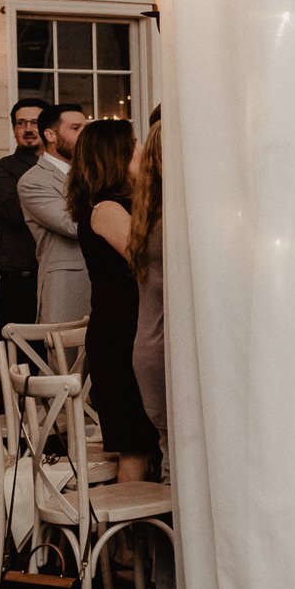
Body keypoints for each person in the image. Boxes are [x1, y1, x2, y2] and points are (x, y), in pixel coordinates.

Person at [67, 120, 153, 482]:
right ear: (114, 156)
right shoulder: (105, 209)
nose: (141, 150)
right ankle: (128, 520)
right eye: (133, 144)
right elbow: (146, 257)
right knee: (136, 445)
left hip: (128, 326)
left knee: (142, 441)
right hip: (120, 333)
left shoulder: (122, 204)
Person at [19, 103, 91, 323]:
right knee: (65, 346)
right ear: (50, 135)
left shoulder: (92, 173)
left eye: (85, 128)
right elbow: (72, 225)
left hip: (106, 285)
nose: (84, 135)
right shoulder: (33, 181)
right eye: (76, 128)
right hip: (67, 287)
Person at [0, 98, 46, 330]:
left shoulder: (67, 168)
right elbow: (14, 214)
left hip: (59, 279)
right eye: (21, 123)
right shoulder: (1, 170)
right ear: (13, 129)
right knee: (18, 353)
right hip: (20, 283)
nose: (28, 129)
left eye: (35, 122)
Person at [127, 121, 167, 462]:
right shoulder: (167, 225)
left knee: (172, 452)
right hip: (164, 350)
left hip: (151, 348)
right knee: (179, 455)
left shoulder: (148, 215)